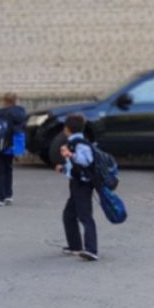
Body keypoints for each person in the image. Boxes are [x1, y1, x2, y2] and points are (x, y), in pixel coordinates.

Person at [58, 112, 100, 261]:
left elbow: (86, 161)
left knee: (85, 216)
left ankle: (91, 249)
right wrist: (63, 168)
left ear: (67, 129)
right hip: (76, 183)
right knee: (69, 215)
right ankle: (75, 246)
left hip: (83, 184)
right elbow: (74, 166)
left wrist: (70, 155)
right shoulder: (73, 143)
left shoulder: (81, 144)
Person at [0, 92, 27, 206]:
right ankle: (9, 195)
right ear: (16, 101)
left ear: (3, 101)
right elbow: (21, 130)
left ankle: (0, 198)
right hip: (11, 145)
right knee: (8, 169)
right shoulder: (20, 113)